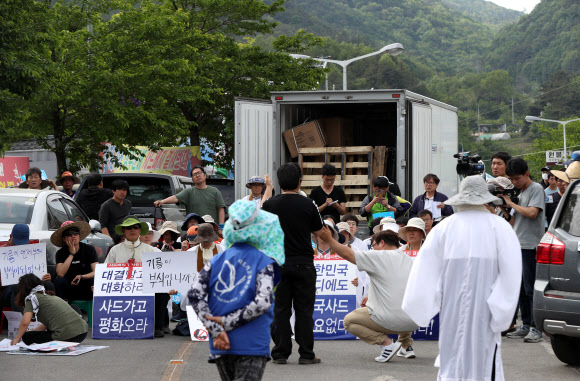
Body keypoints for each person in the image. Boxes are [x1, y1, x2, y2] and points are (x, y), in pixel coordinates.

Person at [402, 175, 522, 381]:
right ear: (485, 199)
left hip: (452, 308)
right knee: (484, 361)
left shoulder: (443, 228)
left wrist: (425, 305)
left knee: (452, 356)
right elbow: (512, 273)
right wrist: (501, 310)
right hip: (487, 308)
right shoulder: (500, 228)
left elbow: (424, 272)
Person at [188, 200, 284, 381]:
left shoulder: (216, 260)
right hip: (252, 343)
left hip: (220, 343)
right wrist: (227, 322)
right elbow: (263, 302)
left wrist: (216, 329)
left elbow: (194, 294)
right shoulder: (264, 262)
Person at [319, 228, 419, 362]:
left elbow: (349, 255)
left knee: (349, 321)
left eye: (373, 246)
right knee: (401, 301)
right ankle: (406, 345)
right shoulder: (408, 258)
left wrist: (329, 240)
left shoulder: (379, 256)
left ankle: (387, 344)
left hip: (391, 320)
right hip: (413, 321)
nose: (372, 249)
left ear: (382, 243)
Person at [262, 163, 324, 365]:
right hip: (304, 263)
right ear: (300, 181)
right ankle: (306, 354)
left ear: (279, 183)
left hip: (278, 264)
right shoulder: (308, 204)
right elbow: (319, 231)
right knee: (304, 311)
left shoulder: (271, 204)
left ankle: (280, 353)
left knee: (280, 309)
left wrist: (267, 191)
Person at [502, 158, 545, 343]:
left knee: (530, 288)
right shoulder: (518, 192)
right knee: (519, 289)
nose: (514, 182)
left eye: (517, 178)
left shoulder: (536, 188)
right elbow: (514, 222)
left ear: (526, 174)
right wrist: (505, 209)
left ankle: (536, 327)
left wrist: (511, 204)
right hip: (517, 244)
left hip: (530, 245)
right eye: (511, 179)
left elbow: (532, 213)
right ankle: (526, 324)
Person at [10, 274, 88, 346]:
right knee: (73, 307)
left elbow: (25, 322)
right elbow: (47, 323)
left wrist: (17, 339)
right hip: (82, 333)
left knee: (26, 337)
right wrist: (33, 331)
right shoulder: (48, 296)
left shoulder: (31, 299)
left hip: (69, 337)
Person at [155, 165, 226, 235]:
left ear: (204, 175)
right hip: (194, 232)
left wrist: (221, 227)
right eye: (194, 174)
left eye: (199, 173)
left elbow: (221, 209)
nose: (197, 176)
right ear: (192, 179)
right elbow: (175, 198)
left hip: (211, 231)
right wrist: (162, 201)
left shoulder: (215, 191)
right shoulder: (189, 192)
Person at [0, 224, 53, 312]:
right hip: (8, 293)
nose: (19, 246)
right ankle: (21, 322)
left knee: (48, 285)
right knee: (17, 286)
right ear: (10, 237)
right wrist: (4, 279)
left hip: (29, 288)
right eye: (17, 242)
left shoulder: (32, 252)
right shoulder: (1, 253)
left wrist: (46, 277)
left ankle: (48, 319)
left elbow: (38, 275)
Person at [52, 221, 98, 301]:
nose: (73, 236)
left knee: (94, 280)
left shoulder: (89, 249)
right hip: (69, 287)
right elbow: (60, 273)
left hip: (85, 284)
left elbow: (96, 271)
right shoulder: (60, 253)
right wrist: (71, 254)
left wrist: (82, 277)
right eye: (69, 234)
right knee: (58, 281)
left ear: (79, 236)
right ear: (64, 238)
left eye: (76, 233)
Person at [547, 160, 580, 225]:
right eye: (560, 181)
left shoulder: (576, 199)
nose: (563, 183)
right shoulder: (549, 198)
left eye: (565, 181)